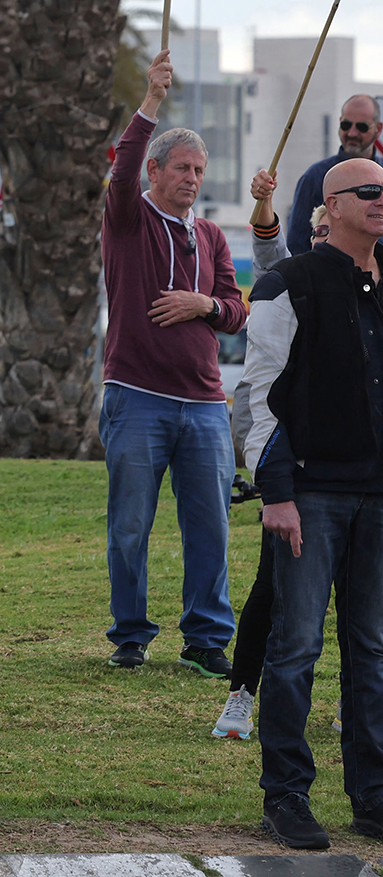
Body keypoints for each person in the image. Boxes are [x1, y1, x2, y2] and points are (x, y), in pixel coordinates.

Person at [242, 157, 383, 849]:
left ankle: (374, 795)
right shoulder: (287, 281)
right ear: (331, 206)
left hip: (378, 498)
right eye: (370, 191)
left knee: (375, 650)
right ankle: (286, 795)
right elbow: (259, 396)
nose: (382, 200)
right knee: (295, 647)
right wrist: (276, 491)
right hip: (312, 493)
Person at [99, 50, 245, 675]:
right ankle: (130, 634)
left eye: (199, 169)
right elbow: (122, 161)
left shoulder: (210, 236)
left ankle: (207, 640)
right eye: (181, 167)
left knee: (210, 528)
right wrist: (151, 99)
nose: (191, 178)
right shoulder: (127, 218)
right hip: (137, 396)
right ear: (155, 172)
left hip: (207, 404)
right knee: (130, 527)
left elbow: (237, 310)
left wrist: (203, 303)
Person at [213, 181, 328, 744]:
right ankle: (242, 694)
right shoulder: (294, 280)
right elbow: (267, 248)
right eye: (320, 232)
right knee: (273, 589)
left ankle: (359, 706)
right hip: (295, 471)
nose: (327, 242)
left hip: (361, 475)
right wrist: (261, 201)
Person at [283, 93, 381, 257]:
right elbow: (297, 244)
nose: (352, 133)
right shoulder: (315, 177)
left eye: (362, 127)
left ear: (378, 129)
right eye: (346, 125)